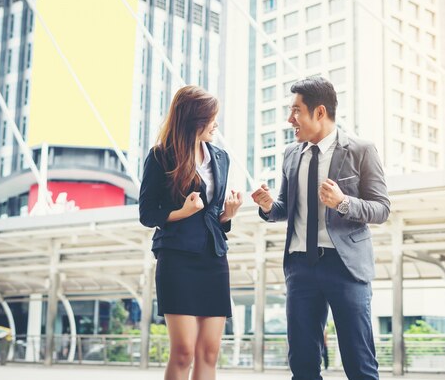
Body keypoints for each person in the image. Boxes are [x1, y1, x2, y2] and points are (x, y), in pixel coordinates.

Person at [251, 77, 390, 380]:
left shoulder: (361, 150)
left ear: (319, 112)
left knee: (359, 362)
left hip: (346, 267)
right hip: (300, 267)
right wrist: (266, 206)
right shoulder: (291, 154)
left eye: (296, 111)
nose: (291, 120)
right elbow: (284, 209)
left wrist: (343, 203)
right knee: (302, 363)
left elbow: (381, 209)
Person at [139, 85, 242, 380]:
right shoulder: (161, 157)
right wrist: (181, 213)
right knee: (183, 351)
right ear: (193, 120)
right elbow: (147, 214)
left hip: (213, 258)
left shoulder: (220, 158)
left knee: (209, 352)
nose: (216, 124)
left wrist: (228, 215)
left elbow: (213, 215)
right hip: (177, 259)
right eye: (211, 118)